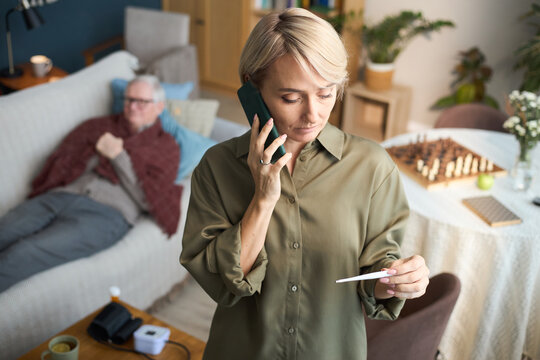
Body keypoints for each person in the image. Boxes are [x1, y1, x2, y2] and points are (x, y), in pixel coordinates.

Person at [180, 8, 429, 360]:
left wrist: (398, 280)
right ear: (252, 87)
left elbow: (375, 280)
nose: (313, 114)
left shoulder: (372, 168)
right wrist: (262, 201)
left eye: (326, 93)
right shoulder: (216, 168)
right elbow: (223, 285)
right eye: (291, 98)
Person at [0, 75, 182, 293]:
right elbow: (62, 163)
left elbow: (149, 199)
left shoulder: (166, 146)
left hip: (106, 215)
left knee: (25, 252)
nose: (133, 107)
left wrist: (118, 156)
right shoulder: (99, 127)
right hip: (61, 195)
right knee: (5, 230)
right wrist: (92, 155)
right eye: (128, 100)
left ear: (159, 106)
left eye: (142, 102)